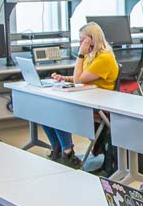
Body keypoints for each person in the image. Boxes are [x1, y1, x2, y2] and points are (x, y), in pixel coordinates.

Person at [42, 22, 119, 169]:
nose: (80, 43)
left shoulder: (104, 58)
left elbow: (79, 79)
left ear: (92, 40)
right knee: (46, 111)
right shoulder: (93, 56)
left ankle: (68, 153)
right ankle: (57, 149)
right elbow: (81, 77)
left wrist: (81, 54)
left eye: (82, 39)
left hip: (99, 105)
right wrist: (65, 79)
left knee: (59, 111)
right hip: (87, 99)